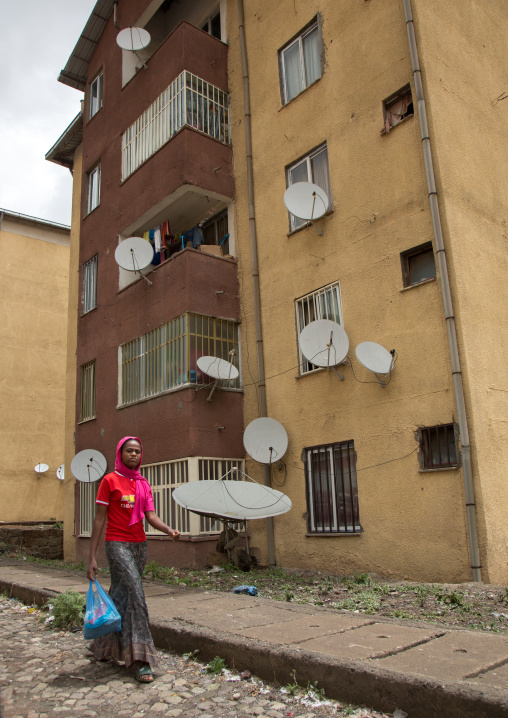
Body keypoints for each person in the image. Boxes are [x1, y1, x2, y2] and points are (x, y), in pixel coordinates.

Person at [86, 436, 180, 683]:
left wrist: (168, 529)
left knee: (120, 593)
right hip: (116, 544)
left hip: (139, 546)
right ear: (120, 453)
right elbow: (99, 519)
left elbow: (150, 516)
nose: (134, 455)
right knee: (136, 595)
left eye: (138, 451)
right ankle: (140, 659)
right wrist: (91, 556)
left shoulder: (143, 484)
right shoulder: (109, 481)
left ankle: (103, 646)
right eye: (129, 451)